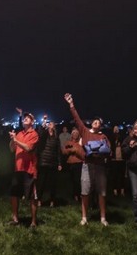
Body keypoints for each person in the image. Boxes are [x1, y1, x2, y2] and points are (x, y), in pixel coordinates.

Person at [64, 93, 111, 226]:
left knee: (101, 192)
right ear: (92, 123)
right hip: (87, 165)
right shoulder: (85, 132)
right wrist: (71, 104)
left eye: (99, 122)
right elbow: (77, 119)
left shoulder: (103, 136)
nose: (96, 122)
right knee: (85, 192)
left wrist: (102, 153)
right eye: (95, 121)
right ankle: (84, 217)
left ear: (101, 125)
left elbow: (109, 151)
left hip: (100, 167)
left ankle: (103, 217)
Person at [7, 111, 39, 227]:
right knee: (14, 194)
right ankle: (15, 219)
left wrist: (16, 141)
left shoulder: (34, 134)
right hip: (18, 168)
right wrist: (12, 139)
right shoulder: (19, 133)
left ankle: (33, 222)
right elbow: (11, 149)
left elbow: (29, 148)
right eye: (24, 117)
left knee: (32, 196)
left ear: (32, 122)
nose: (25, 118)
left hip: (29, 169)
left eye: (28, 118)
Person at [36, 119, 63, 207]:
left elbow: (58, 151)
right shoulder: (44, 134)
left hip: (53, 162)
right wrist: (43, 126)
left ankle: (52, 200)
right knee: (41, 182)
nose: (50, 125)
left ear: (54, 126)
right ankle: (39, 199)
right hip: (43, 161)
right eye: (49, 124)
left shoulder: (56, 137)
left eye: (52, 124)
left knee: (53, 183)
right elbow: (40, 133)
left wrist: (59, 163)